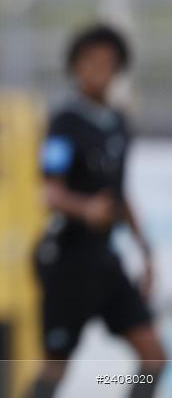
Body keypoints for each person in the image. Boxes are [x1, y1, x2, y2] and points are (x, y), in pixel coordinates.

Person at [29, 24, 166, 398]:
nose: (97, 71)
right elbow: (50, 193)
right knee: (56, 368)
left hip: (105, 259)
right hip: (68, 260)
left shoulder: (119, 123)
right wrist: (85, 207)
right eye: (89, 63)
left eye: (106, 63)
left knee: (153, 357)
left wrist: (145, 250)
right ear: (75, 67)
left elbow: (122, 195)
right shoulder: (65, 123)